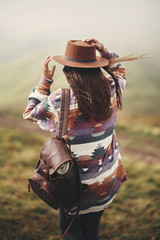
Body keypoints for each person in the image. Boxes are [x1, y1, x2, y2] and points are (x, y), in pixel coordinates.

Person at [23, 38, 142, 240]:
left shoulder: (61, 99)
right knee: (91, 229)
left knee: (71, 232)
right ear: (96, 69)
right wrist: (103, 50)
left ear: (68, 72)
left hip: (74, 188)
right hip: (106, 184)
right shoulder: (113, 88)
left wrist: (45, 80)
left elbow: (30, 113)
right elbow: (120, 69)